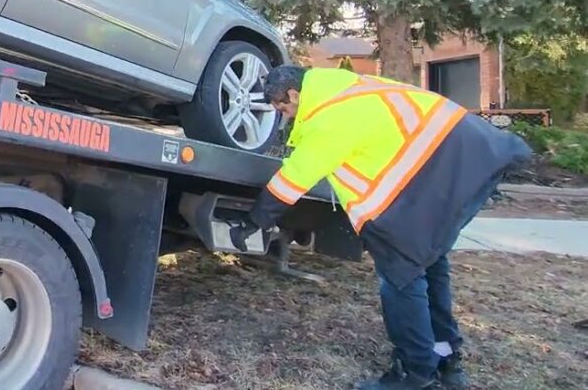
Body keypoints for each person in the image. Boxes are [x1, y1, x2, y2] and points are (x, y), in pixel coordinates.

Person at [228, 65, 532, 390]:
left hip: (428, 180)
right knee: (429, 262)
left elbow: (293, 180)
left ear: (293, 94)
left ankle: (415, 373)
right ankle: (445, 356)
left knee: (400, 278)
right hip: (462, 161)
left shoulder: (330, 117)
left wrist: (252, 222)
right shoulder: (354, 87)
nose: (284, 115)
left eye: (282, 107)